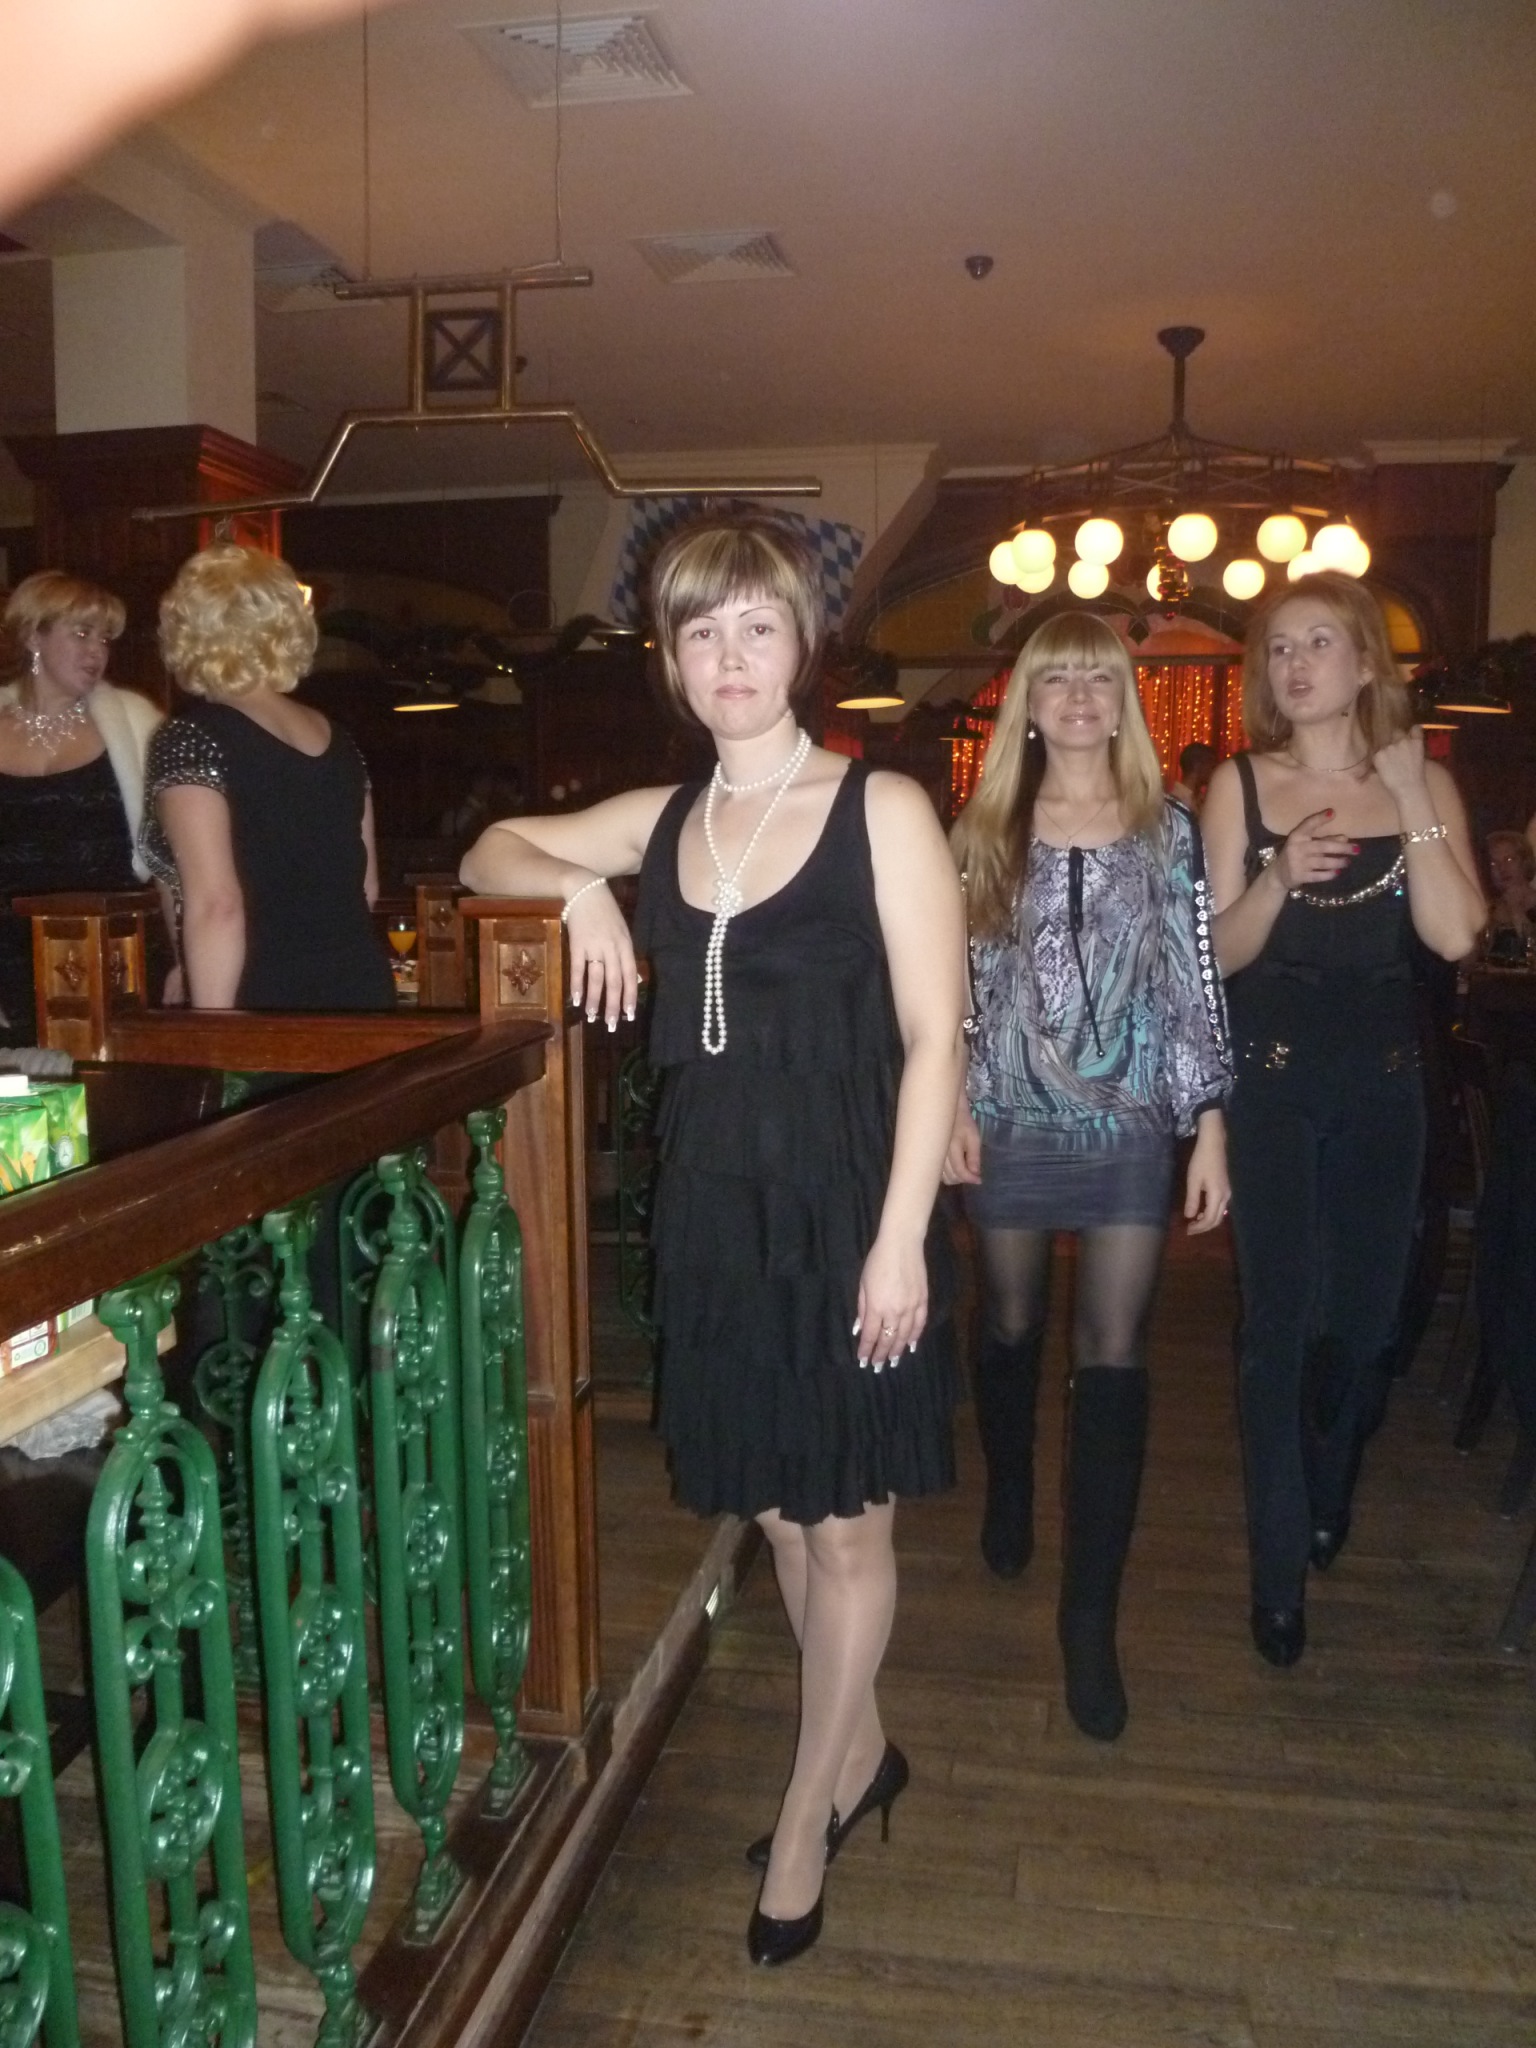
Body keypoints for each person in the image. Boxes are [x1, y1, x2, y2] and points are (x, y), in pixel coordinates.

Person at [461, 515, 967, 1967]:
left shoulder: (881, 808)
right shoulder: (665, 818)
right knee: (785, 1513)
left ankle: (809, 1816)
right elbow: (491, 850)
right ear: (672, 660)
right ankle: (862, 1751)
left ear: (804, 645)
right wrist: (579, 892)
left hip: (849, 1206)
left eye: (757, 627)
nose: (730, 657)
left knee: (849, 1522)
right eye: (701, 632)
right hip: (716, 1215)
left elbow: (938, 1037)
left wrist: (901, 1241)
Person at [944, 612, 1233, 1741]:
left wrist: (1209, 1126)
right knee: (1012, 1323)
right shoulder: (981, 826)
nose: (1076, 695)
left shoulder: (1168, 829)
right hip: (1008, 1114)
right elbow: (952, 979)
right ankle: (1012, 1480)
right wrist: (952, 1103)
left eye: (1097, 678)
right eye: (1055, 677)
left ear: (1124, 702)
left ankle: (1089, 1619)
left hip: (1130, 1123)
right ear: (1026, 699)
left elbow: (1194, 982)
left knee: (1114, 1354)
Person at [1203, 571, 1483, 1668]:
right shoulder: (1240, 783)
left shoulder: (1424, 781)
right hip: (1270, 1080)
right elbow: (1216, 956)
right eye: (1280, 647)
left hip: (1383, 1081)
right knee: (1276, 1328)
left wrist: (1412, 798)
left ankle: (1329, 1484)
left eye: (1319, 642)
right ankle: (1278, 1575)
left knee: (1363, 1331)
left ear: (1366, 663)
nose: (1296, 663)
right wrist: (1276, 880)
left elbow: (1455, 935)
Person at [141, 543, 394, 1011]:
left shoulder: (190, 739)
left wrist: (212, 1032)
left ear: (187, 630)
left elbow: (217, 905)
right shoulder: (337, 738)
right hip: (362, 991)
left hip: (262, 1003)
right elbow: (366, 889)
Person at [0, 571, 161, 1045]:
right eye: (82, 633)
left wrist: (188, 961)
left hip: (117, 958)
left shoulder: (137, 724)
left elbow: (175, 860)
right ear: (34, 636)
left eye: (104, 638)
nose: (97, 652)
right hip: (10, 964)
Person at [1483, 829, 1535, 965]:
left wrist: (1515, 908)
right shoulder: (1487, 909)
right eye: (1493, 863)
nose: (1502, 868)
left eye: (1509, 859)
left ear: (1524, 862)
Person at [1169, 739, 1218, 812]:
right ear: (1198, 766)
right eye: (1212, 766)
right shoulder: (1175, 803)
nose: (1214, 772)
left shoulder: (1202, 800)